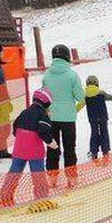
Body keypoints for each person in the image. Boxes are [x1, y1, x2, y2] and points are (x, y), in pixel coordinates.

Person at [0, 88, 57, 208]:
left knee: (14, 172)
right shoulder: (42, 115)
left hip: (19, 149)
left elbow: (15, 126)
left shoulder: (24, 112)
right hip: (34, 151)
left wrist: (21, 136)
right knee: (38, 175)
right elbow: (43, 131)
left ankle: (5, 198)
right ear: (46, 103)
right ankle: (42, 200)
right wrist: (52, 143)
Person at [42, 44, 84, 187]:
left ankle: (52, 178)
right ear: (67, 56)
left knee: (52, 147)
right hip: (68, 118)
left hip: (51, 117)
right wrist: (73, 108)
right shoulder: (72, 75)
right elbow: (80, 97)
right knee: (69, 147)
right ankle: (71, 179)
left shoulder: (47, 74)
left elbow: (44, 96)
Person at [81, 75, 112, 163]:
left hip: (93, 118)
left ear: (87, 83)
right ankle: (105, 153)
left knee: (94, 133)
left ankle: (94, 153)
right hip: (103, 117)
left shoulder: (85, 95)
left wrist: (71, 113)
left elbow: (79, 105)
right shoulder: (101, 93)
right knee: (104, 133)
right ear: (96, 83)